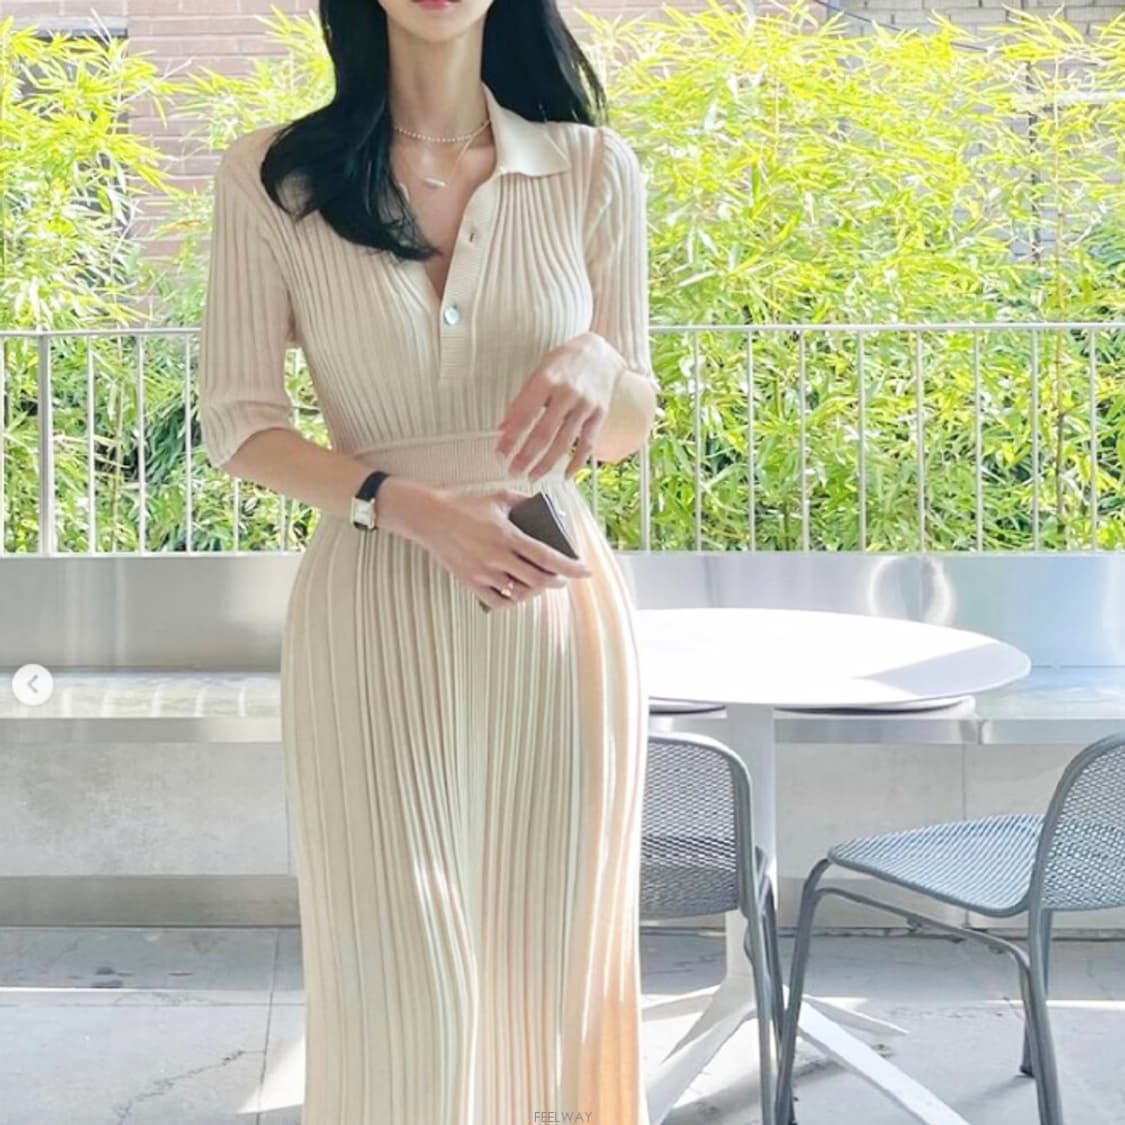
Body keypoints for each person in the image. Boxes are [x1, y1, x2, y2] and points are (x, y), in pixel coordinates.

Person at [197, 1, 660, 1121]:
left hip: (551, 614)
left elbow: (629, 424)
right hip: (373, 601)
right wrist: (404, 507)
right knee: (400, 973)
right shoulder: (273, 176)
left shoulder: (593, 169)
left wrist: (600, 364)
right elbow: (239, 424)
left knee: (550, 961)